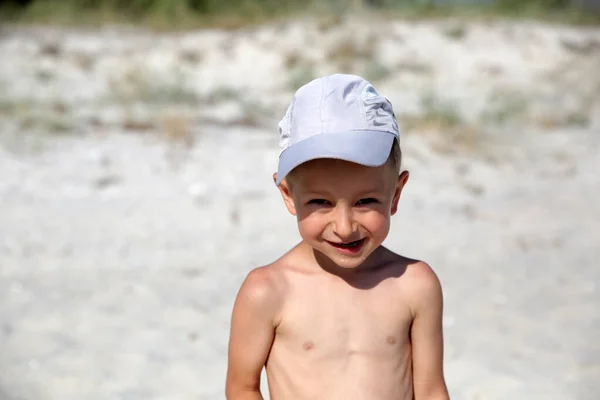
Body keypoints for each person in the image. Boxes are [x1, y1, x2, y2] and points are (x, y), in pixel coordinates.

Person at [225, 74, 449, 400]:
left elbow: (430, 391)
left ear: (396, 194)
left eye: (365, 202)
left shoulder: (415, 285)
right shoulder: (267, 290)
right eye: (321, 202)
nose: (344, 227)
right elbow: (242, 388)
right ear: (288, 195)